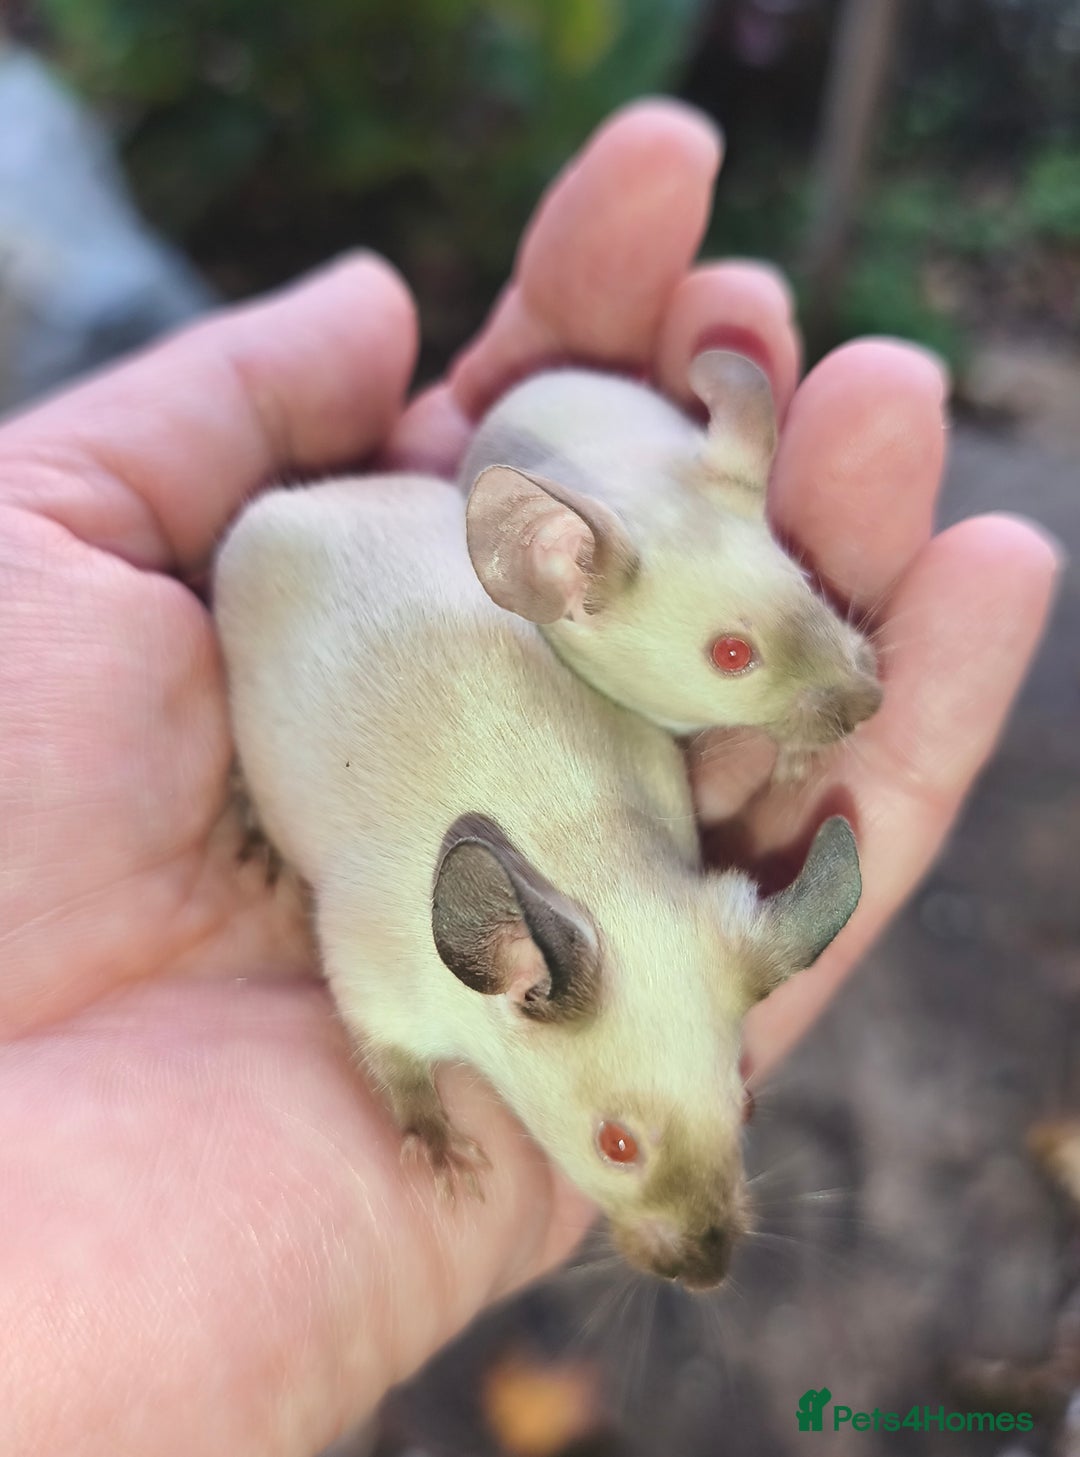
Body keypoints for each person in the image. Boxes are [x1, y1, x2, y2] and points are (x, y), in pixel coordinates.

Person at [0, 99, 1060, 1455]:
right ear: (506, 963)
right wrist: (406, 1088)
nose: (683, 1232)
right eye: (630, 1147)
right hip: (323, 591)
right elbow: (374, 962)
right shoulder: (482, 967)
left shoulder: (637, 909)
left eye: (662, 1140)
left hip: (429, 593)